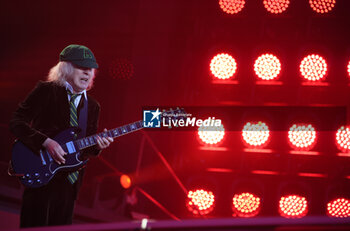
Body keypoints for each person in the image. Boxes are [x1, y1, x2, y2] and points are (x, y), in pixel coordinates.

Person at [9, 44, 114, 227]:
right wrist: (45, 142)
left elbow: (84, 148)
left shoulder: (93, 106)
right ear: (65, 68)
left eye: (90, 69)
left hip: (70, 184)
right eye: (81, 67)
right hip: (40, 175)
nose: (87, 73)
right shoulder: (46, 91)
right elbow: (16, 123)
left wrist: (98, 145)